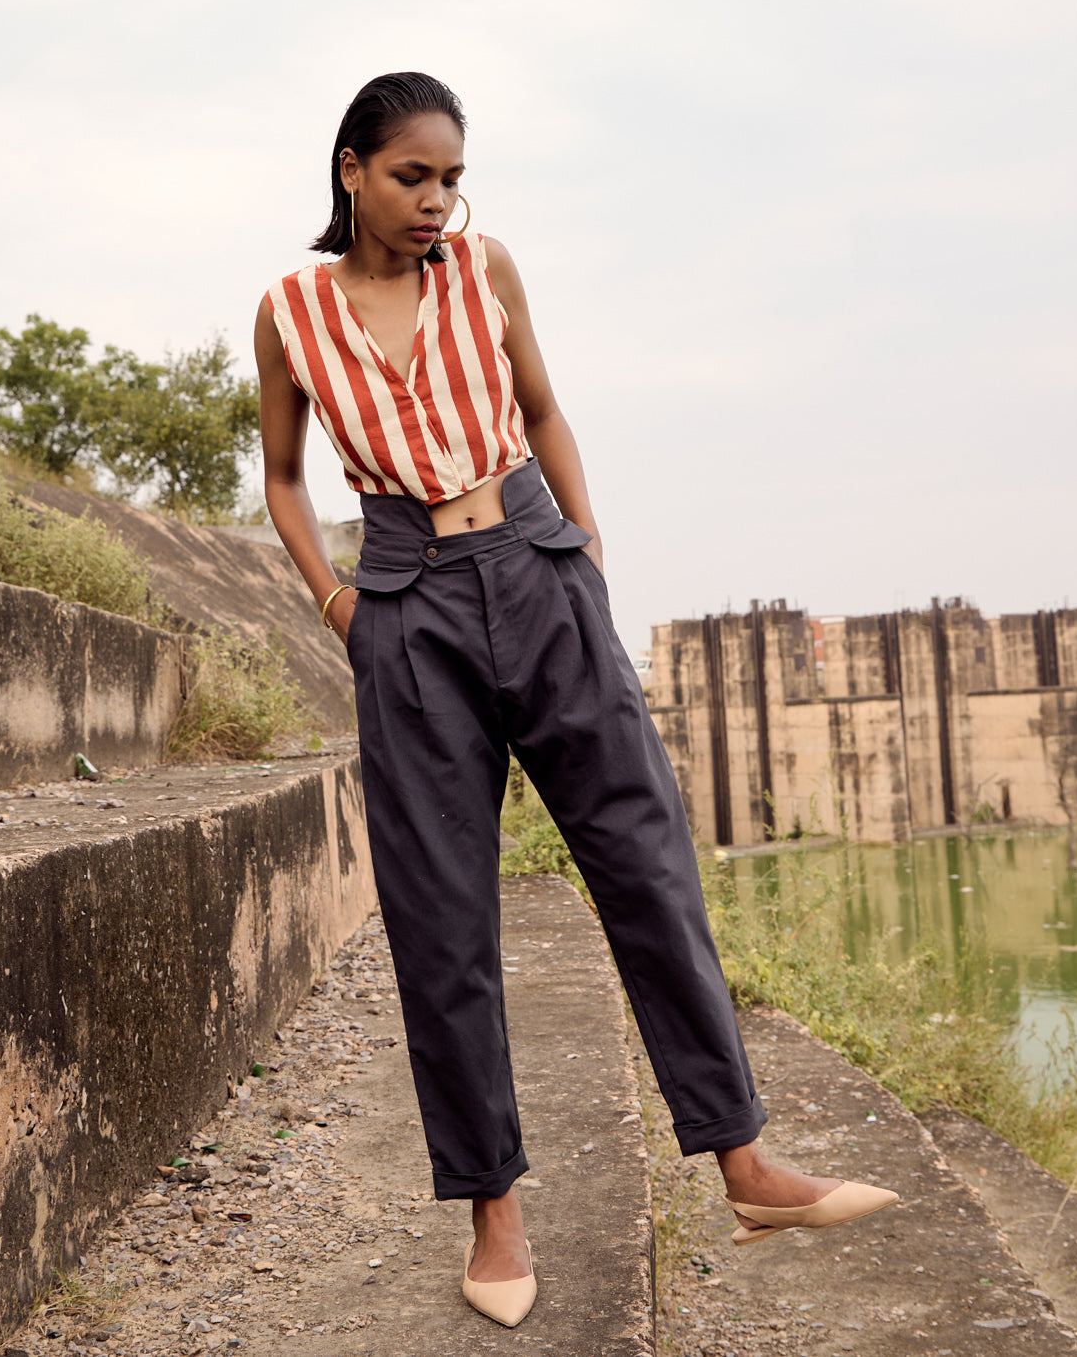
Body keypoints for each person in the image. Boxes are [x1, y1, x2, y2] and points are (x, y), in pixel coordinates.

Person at [254, 71, 897, 1328]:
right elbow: (281, 474)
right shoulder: (288, 313)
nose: (436, 200)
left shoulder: (486, 267)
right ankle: (494, 1209)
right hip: (406, 605)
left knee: (645, 863)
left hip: (538, 576)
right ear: (350, 170)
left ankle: (744, 1162)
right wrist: (337, 603)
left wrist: (586, 553)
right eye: (410, 176)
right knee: (442, 917)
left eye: (450, 178)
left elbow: (542, 410)